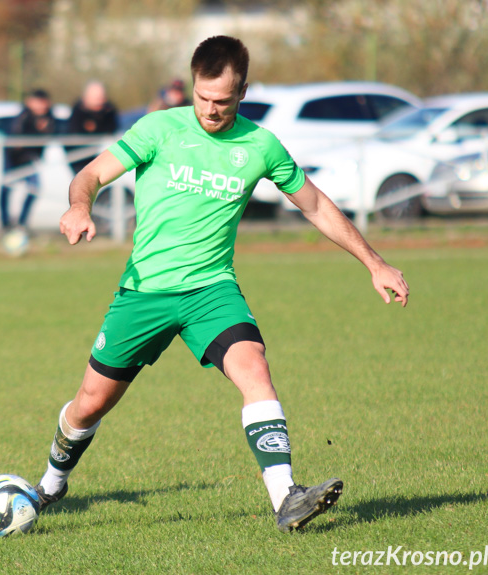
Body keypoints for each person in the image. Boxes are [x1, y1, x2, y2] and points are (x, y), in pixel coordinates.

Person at [33, 36, 410, 533]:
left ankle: (287, 497)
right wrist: (80, 205)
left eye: (223, 100)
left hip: (212, 290)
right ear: (192, 86)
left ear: (243, 91)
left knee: (255, 368)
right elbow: (91, 174)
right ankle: (51, 483)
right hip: (144, 292)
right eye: (202, 97)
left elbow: (315, 205)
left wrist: (373, 262)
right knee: (90, 402)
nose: (210, 110)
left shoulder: (260, 145)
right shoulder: (158, 129)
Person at [0, 89, 58, 231]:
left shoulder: (50, 118)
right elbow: (15, 139)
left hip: (30, 160)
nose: (42, 106)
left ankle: (22, 222)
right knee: (6, 189)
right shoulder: (23, 117)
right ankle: (5, 223)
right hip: (14, 159)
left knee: (34, 188)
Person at [66, 80, 119, 175]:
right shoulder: (77, 113)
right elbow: (76, 134)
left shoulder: (109, 111)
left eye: (101, 98)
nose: (99, 102)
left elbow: (112, 130)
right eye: (96, 99)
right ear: (86, 98)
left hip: (102, 158)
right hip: (79, 159)